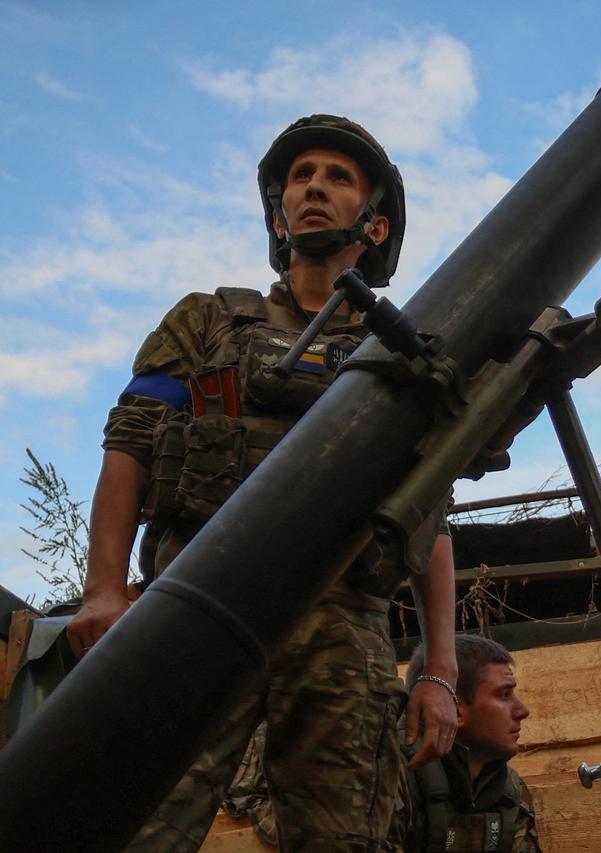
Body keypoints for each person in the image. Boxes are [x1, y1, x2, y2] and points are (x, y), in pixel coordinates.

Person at [66, 114, 460, 851]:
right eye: (301, 176)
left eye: (339, 178)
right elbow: (130, 444)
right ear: (278, 211)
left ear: (373, 226)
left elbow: (429, 509)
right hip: (198, 596)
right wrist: (105, 588)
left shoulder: (400, 350)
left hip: (344, 623)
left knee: (345, 840)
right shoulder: (208, 319)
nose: (313, 187)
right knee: (140, 825)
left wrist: (440, 669)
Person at [396, 635, 542, 852]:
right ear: (452, 707)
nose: (522, 711)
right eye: (504, 694)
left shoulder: (509, 791)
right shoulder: (391, 776)